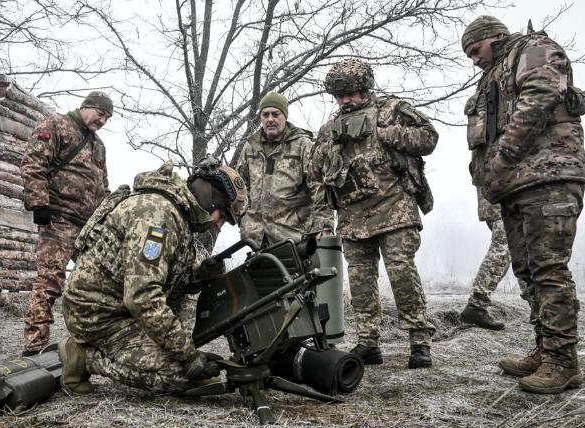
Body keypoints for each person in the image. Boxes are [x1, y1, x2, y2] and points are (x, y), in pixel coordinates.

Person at [461, 16, 585, 393]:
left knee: (549, 269)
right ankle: (545, 349)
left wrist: (501, 158)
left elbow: (539, 99)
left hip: (548, 177)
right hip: (515, 186)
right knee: (527, 272)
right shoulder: (495, 74)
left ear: (495, 37)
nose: (474, 59)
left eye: (476, 50)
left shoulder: (532, 49)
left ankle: (564, 362)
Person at [58, 160, 247, 395]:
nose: (218, 224)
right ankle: (81, 355)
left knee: (185, 360)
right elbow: (143, 296)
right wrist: (188, 356)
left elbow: (164, 280)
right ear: (211, 201)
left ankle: (139, 350)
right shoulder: (159, 215)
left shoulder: (176, 213)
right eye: (223, 215)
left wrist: (199, 276)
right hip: (97, 315)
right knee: (176, 375)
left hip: (120, 307)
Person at [309, 58, 437, 369]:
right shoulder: (329, 129)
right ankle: (368, 342)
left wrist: (387, 132)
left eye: (350, 94)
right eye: (339, 96)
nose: (345, 101)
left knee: (401, 274)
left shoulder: (391, 110)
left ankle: (419, 341)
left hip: (396, 209)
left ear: (366, 88)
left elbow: (428, 139)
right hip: (353, 217)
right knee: (360, 280)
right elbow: (315, 173)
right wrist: (323, 221)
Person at [20, 91, 113, 356]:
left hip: (88, 228)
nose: (103, 121)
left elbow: (103, 186)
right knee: (49, 282)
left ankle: (92, 345)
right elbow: (33, 164)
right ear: (86, 107)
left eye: (108, 118)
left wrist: (106, 217)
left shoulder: (99, 146)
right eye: (101, 114)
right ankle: (34, 346)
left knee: (96, 284)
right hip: (59, 220)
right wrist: (40, 204)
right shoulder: (55, 125)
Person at [236, 91, 332, 246]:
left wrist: (325, 226)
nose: (270, 119)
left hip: (293, 235)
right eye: (265, 115)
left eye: (275, 114)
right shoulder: (250, 147)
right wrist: (243, 219)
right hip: (255, 239)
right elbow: (240, 187)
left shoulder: (302, 145)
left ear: (285, 116)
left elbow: (319, 188)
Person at [458, 188, 522, 330]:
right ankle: (476, 306)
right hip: (503, 198)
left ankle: (540, 308)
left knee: (523, 251)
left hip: (509, 199)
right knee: (503, 248)